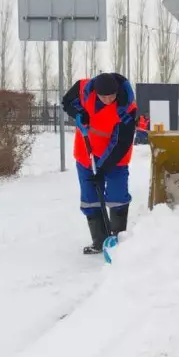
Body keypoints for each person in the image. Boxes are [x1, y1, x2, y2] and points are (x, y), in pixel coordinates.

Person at [61, 72, 139, 254]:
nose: (108, 99)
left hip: (115, 159)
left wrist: (103, 168)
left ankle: (118, 239)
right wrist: (78, 113)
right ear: (96, 92)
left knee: (117, 196)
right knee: (90, 199)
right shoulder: (83, 88)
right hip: (85, 155)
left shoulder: (126, 108)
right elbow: (67, 102)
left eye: (111, 95)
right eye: (103, 96)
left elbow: (121, 143)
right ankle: (99, 241)